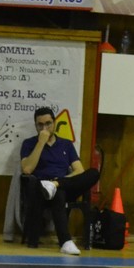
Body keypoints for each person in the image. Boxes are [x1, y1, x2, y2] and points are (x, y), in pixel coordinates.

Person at [19, 106, 99, 254]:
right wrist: (41, 143)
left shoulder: (66, 144)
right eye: (40, 125)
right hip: (41, 190)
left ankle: (54, 184)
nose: (44, 128)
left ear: (54, 123)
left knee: (93, 173)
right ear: (35, 126)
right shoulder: (29, 143)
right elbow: (27, 169)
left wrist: (58, 182)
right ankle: (65, 242)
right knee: (58, 193)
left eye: (48, 123)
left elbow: (79, 170)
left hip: (65, 184)